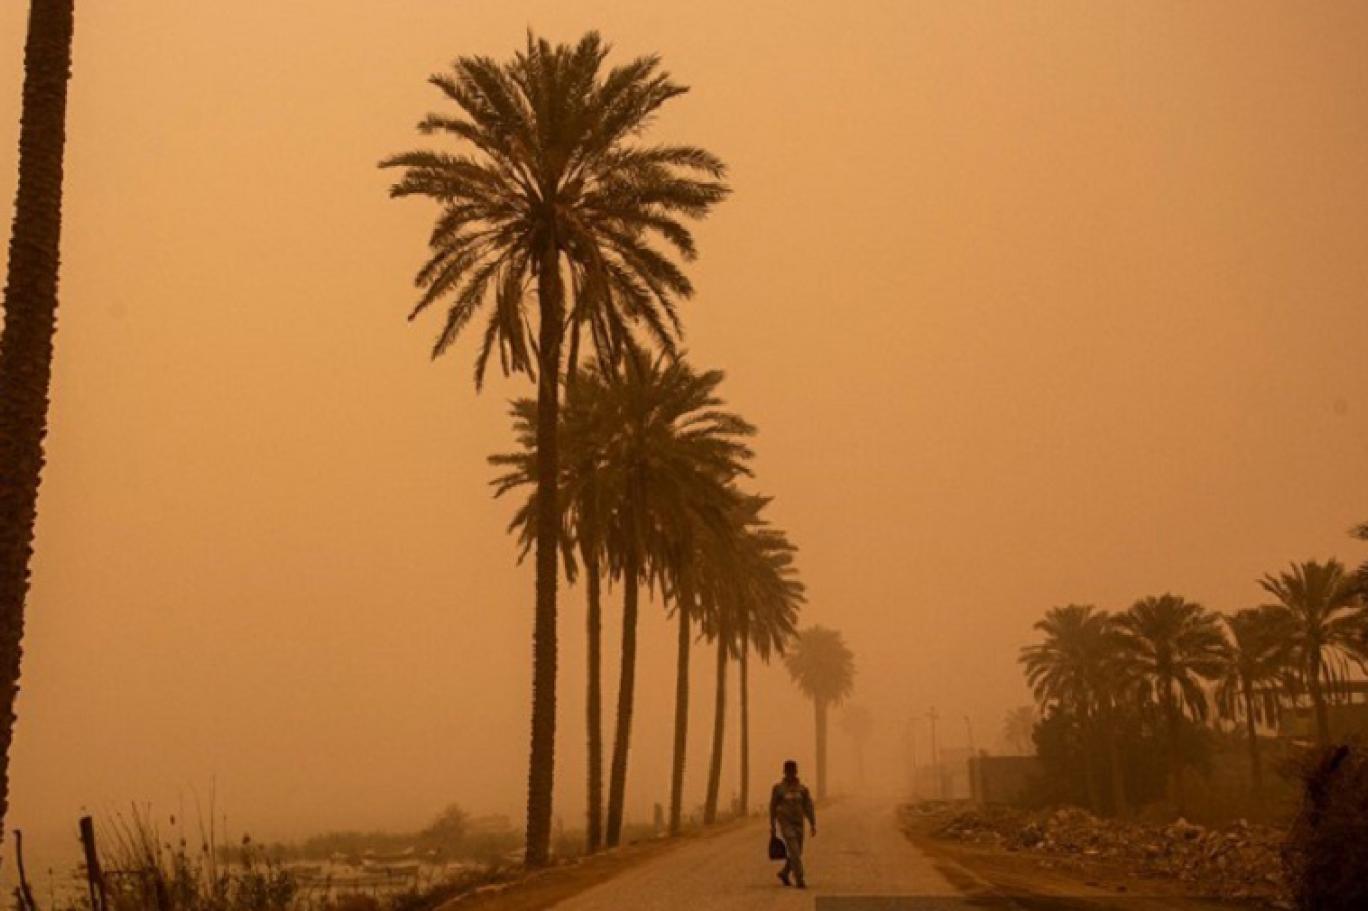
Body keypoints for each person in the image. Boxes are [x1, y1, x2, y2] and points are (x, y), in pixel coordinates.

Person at [769, 759, 816, 888]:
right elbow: (772, 807)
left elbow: (808, 807)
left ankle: (784, 873)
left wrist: (812, 823)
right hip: (786, 824)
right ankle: (800, 878)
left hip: (799, 825)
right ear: (785, 773)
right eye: (788, 772)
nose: (790, 774)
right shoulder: (778, 789)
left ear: (796, 772)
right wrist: (772, 825)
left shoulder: (802, 789)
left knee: (797, 852)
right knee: (794, 850)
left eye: (792, 772)